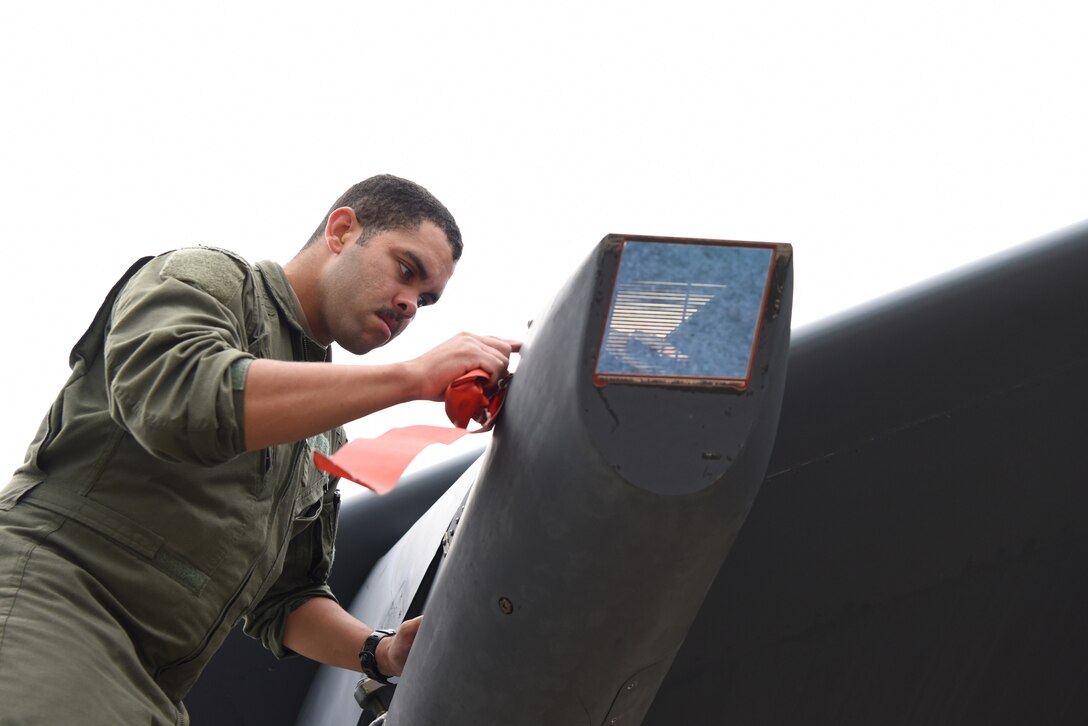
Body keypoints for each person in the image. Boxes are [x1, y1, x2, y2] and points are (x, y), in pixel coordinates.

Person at [0, 174, 518, 724]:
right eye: (406, 270)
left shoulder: (321, 430)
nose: (410, 305)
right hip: (53, 609)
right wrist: (412, 378)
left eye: (425, 299)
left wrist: (380, 652)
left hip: (154, 689)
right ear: (342, 231)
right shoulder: (213, 280)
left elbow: (285, 600)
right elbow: (180, 399)